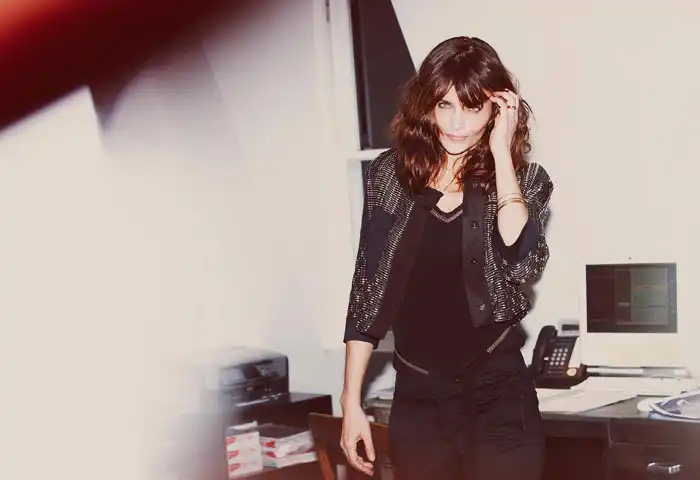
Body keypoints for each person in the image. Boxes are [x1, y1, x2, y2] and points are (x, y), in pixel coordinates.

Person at [339, 36, 554, 480]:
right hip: (418, 400)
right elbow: (368, 290)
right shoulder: (389, 175)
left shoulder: (525, 181)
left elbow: (522, 261)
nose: (457, 124)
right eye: (444, 105)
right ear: (426, 105)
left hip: (498, 397)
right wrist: (350, 401)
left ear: (497, 110)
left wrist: (501, 154)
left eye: (473, 108)